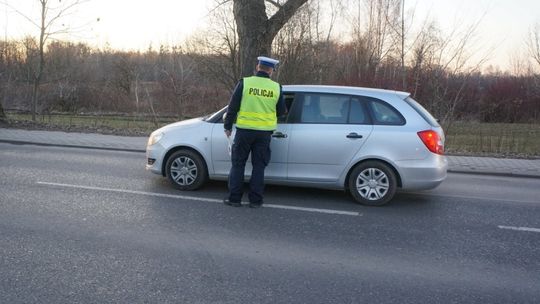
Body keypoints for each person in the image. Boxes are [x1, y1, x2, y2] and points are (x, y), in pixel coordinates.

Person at [223, 56, 287, 208]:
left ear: (258, 67)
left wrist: (227, 126)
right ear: (271, 70)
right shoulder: (276, 87)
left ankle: (235, 199)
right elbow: (281, 111)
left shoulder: (245, 83)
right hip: (264, 134)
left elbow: (232, 107)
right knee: (259, 167)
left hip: (244, 132)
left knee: (238, 165)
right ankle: (255, 201)